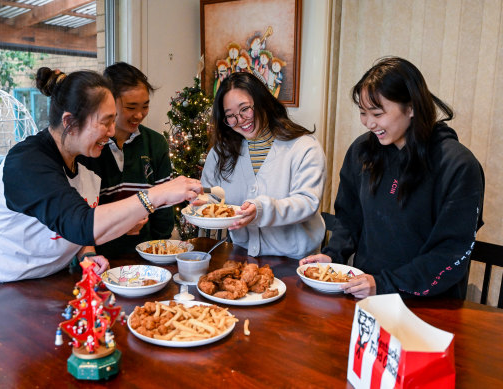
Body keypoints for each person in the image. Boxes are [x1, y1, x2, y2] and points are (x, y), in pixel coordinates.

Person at [0, 68, 201, 287]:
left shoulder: (86, 159)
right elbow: (79, 223)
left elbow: (78, 228)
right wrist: (158, 194)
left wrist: (87, 254)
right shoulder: (27, 163)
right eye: (105, 122)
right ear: (69, 122)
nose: (112, 132)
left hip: (46, 284)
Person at [300, 57, 484, 299]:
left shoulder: (457, 165)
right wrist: (334, 255)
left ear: (412, 108)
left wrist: (386, 284)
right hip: (365, 293)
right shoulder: (362, 151)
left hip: (430, 304)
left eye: (377, 113)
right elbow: (349, 217)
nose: (369, 123)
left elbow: (451, 252)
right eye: (363, 113)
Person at [200, 71, 326, 259]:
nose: (240, 120)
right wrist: (202, 201)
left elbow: (307, 202)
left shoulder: (304, 147)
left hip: (295, 261)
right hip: (242, 256)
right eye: (231, 116)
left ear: (262, 101)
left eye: (245, 109)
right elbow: (212, 194)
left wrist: (261, 209)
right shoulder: (221, 152)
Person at [81, 62, 174, 257]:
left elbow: (164, 207)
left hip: (145, 254)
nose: (139, 115)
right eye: (131, 107)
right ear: (109, 103)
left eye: (145, 106)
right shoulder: (90, 147)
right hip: (98, 257)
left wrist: (157, 252)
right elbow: (82, 215)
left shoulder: (155, 144)